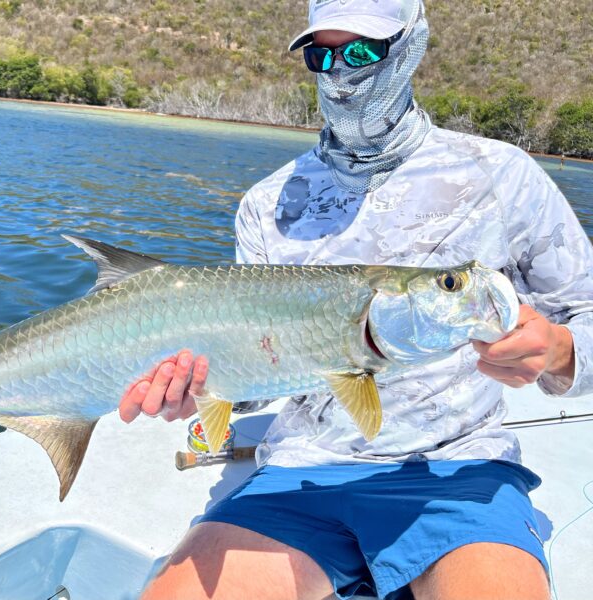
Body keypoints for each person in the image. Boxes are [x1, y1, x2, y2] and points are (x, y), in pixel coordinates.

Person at [120, 0, 593, 598]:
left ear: (411, 47)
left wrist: (559, 351)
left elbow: (586, 313)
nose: (341, 71)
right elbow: (262, 372)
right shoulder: (268, 204)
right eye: (322, 54)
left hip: (458, 470)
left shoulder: (501, 175)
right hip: (300, 473)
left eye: (365, 50)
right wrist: (200, 387)